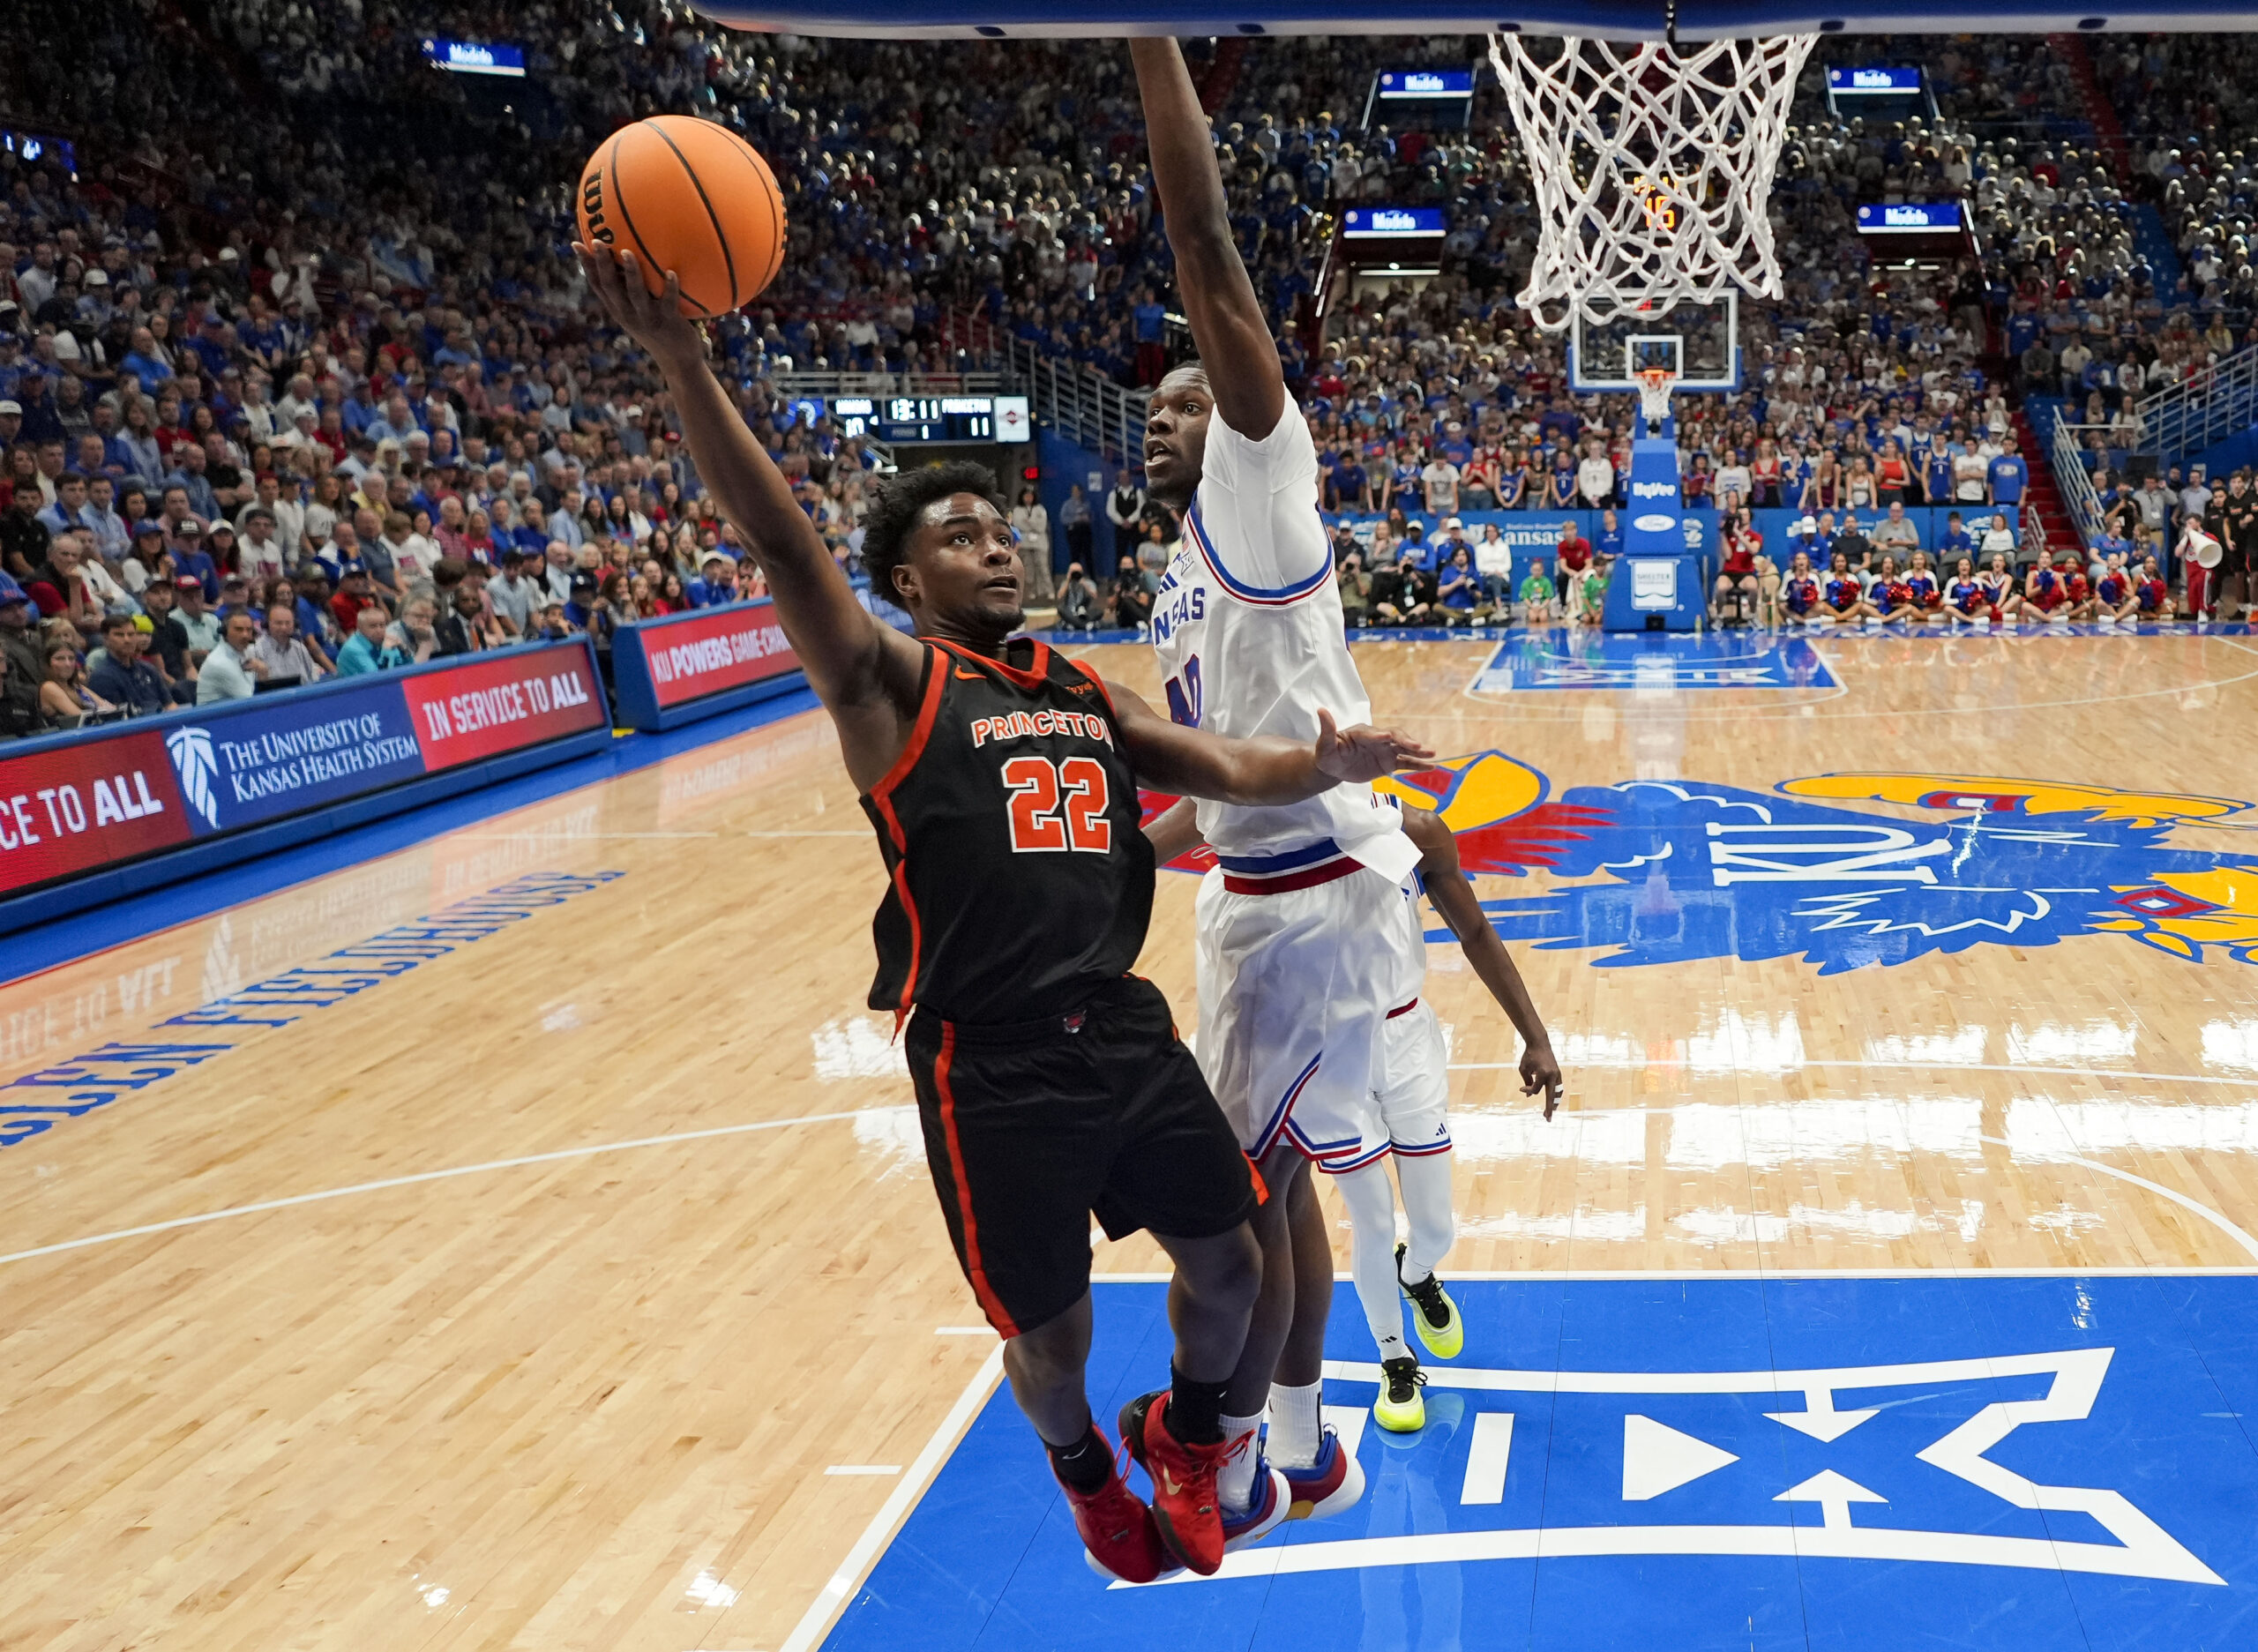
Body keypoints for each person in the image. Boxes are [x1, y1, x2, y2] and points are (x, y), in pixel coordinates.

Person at [583, 235, 1435, 1584]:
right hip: (990, 1061)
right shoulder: (889, 685)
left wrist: (1322, 766)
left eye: (999, 526)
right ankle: (1089, 1473)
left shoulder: (1079, 688)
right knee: (1053, 1340)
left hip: (1122, 1027)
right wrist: (686, 365)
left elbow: (1222, 769)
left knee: (1236, 1265)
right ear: (907, 583)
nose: (993, 544)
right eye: (958, 536)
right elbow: (780, 543)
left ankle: (1196, 1434)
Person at [1126, 34, 1441, 1552]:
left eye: (1184, 402)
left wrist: (1143, 29)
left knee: (1228, 1213)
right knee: (1283, 1191)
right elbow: (1207, 789)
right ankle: (1306, 1447)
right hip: (1272, 884)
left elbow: (1208, 251)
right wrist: (1129, 848)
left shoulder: (1262, 484)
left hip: (1302, 903)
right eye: (1157, 415)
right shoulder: (1187, 572)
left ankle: (1232, 1454)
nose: (1163, 418)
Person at [88, 613, 169, 714]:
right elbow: (115, 720)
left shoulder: (148, 669)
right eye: (119, 635)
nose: (127, 640)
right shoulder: (101, 677)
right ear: (106, 639)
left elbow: (170, 704)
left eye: (131, 634)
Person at [195, 609, 266, 702]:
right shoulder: (219, 663)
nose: (245, 635)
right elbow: (249, 701)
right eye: (238, 629)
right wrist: (263, 673)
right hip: (217, 716)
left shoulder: (244, 651)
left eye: (248, 630)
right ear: (225, 632)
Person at [38, 637, 112, 725]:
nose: (68, 664)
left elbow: (109, 708)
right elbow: (81, 718)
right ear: (47, 663)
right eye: (60, 659)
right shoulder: (48, 687)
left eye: (71, 658)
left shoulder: (77, 687)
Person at [251, 602, 323, 685]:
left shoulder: (299, 648)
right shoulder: (257, 650)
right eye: (278, 623)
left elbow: (313, 679)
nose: (284, 627)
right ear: (267, 624)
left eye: (288, 623)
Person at [1010, 484, 1052, 603]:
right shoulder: (1017, 510)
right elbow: (1018, 524)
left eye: (1030, 496)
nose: (1028, 498)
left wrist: (1029, 522)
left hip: (1040, 542)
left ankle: (1048, 591)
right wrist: (1032, 524)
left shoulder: (1040, 509)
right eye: (1026, 496)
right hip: (1024, 542)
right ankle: (1032, 591)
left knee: (1043, 566)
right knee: (1029, 569)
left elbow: (1041, 527)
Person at [333, 603, 402, 676]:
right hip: (353, 686)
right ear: (360, 628)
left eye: (382, 625)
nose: (379, 630)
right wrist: (385, 653)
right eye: (373, 626)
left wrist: (403, 649)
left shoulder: (381, 640)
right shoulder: (353, 649)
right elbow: (376, 677)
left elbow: (406, 665)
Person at [1056, 561, 1102, 632]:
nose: (1076, 574)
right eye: (1073, 572)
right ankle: (1084, 625)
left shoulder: (1089, 583)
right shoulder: (1065, 583)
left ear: (1082, 572)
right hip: (1070, 613)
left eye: (1078, 572)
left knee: (1099, 611)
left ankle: (1073, 624)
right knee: (1060, 609)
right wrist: (1068, 580)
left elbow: (1094, 596)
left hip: (1084, 613)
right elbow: (1059, 596)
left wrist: (1084, 584)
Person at [1516, 558, 1554, 624]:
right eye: (1534, 570)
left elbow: (1548, 597)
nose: (1536, 572)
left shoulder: (1546, 581)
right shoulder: (1526, 582)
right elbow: (1525, 597)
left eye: (1538, 570)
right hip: (1531, 605)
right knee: (1533, 618)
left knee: (1543, 618)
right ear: (1531, 570)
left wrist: (1541, 607)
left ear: (1542, 570)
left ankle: (1544, 633)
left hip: (1543, 605)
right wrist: (1532, 607)